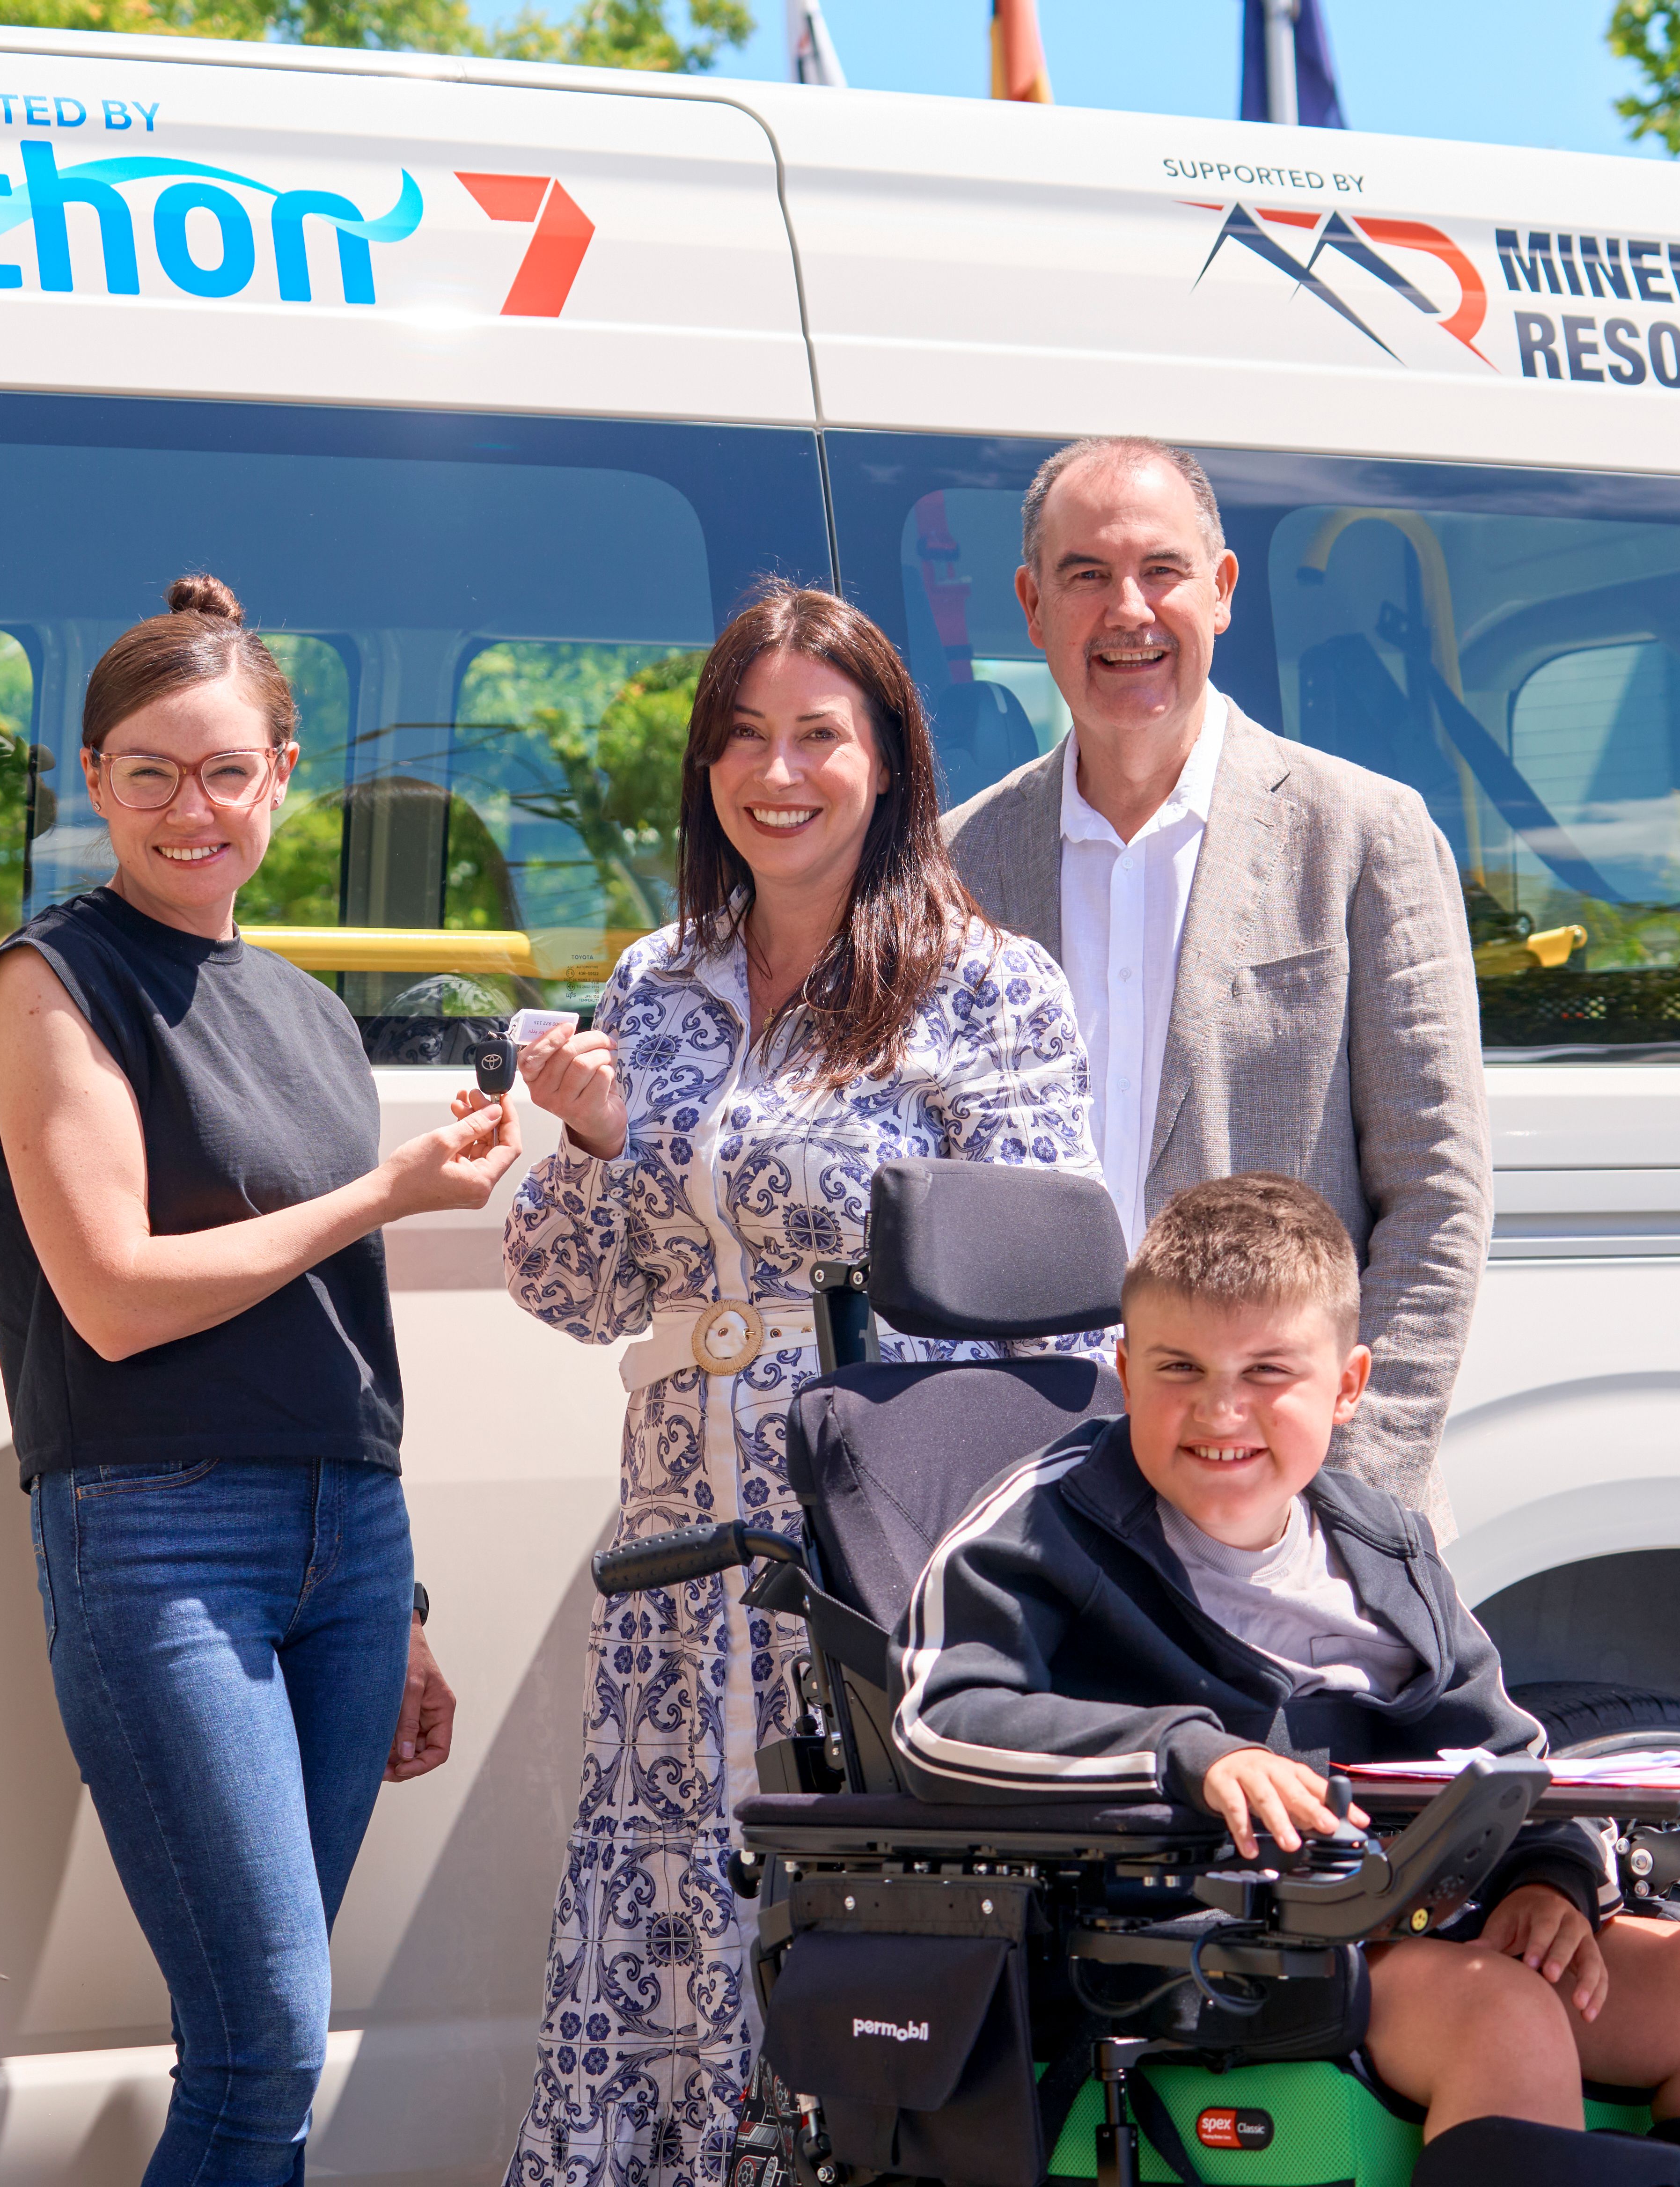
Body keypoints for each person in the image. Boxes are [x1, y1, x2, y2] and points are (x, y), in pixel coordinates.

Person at [495, 582, 1100, 2187]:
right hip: (680, 1538)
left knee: (855, 1936)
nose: (778, 773)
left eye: (816, 737)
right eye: (743, 738)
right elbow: (568, 1290)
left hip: (881, 1545)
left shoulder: (989, 987)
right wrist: (590, 1140)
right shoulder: (653, 979)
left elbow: (1057, 1307)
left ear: (886, 761)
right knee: (668, 1923)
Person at [891, 1174, 1680, 2187]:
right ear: (1124, 1367)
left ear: (1347, 1383)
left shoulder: (1385, 1544)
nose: (1221, 1407)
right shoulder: (1039, 1526)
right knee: (1504, 2013)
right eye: (1178, 1367)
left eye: (1268, 1370)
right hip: (1193, 1942)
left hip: (1411, 1913)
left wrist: (1553, 1879)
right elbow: (942, 1719)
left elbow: (1509, 1754)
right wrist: (1188, 1754)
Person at [0, 575, 523, 2187]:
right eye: (146, 772)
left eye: (222, 772)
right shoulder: (50, 983)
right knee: (261, 2043)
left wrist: (397, 1608)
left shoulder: (303, 1009)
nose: (185, 809)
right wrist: (383, 1193)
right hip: (159, 1539)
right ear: (86, 781)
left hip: (348, 1548)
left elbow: (337, 1332)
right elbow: (115, 1300)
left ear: (284, 776)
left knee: (273, 2037)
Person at [944, 436, 1488, 1533]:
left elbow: (1437, 1195)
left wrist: (1348, 1483)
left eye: (1163, 571)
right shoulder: (960, 864)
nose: (1128, 610)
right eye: (1086, 575)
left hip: (1284, 1491)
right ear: (1032, 605)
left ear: (1223, 590)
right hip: (1039, 1492)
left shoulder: (1363, 835)